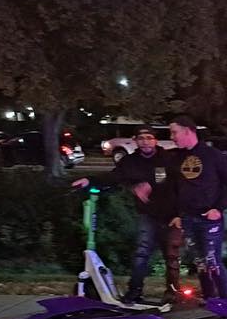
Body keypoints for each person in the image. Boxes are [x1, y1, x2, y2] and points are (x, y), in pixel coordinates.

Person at [72, 128, 181, 305]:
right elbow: (114, 176)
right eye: (141, 138)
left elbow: (177, 184)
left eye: (149, 138)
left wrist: (151, 186)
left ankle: (173, 293)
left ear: (155, 141)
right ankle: (135, 291)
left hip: (171, 214)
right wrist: (90, 180)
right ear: (136, 141)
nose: (145, 141)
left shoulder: (167, 159)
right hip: (148, 214)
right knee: (141, 252)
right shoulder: (130, 161)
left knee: (171, 256)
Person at [165, 114, 227, 299]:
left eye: (174, 132)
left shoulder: (213, 155)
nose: (172, 137)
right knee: (200, 263)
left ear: (187, 131)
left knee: (213, 262)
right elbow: (172, 188)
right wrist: (176, 214)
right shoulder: (176, 158)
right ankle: (210, 300)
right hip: (188, 219)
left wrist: (218, 208)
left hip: (209, 219)